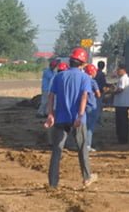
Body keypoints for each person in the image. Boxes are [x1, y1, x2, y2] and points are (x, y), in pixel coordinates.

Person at [45, 46, 96, 189]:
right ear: (82, 63)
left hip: (60, 118)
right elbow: (84, 97)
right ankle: (86, 177)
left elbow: (50, 96)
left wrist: (50, 114)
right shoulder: (85, 78)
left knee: (57, 150)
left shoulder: (58, 76)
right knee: (82, 148)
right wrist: (80, 115)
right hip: (77, 119)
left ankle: (53, 183)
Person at [83, 64, 102, 152]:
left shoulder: (82, 80)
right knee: (90, 127)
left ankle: (81, 143)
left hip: (83, 106)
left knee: (84, 126)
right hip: (91, 105)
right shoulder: (93, 82)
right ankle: (87, 145)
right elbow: (98, 94)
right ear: (92, 72)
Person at [112, 64, 129, 144]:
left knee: (121, 122)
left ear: (123, 70)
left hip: (122, 104)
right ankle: (122, 138)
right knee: (122, 122)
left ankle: (122, 139)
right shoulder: (124, 78)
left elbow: (120, 89)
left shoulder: (123, 79)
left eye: (118, 70)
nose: (117, 71)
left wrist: (112, 93)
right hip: (123, 103)